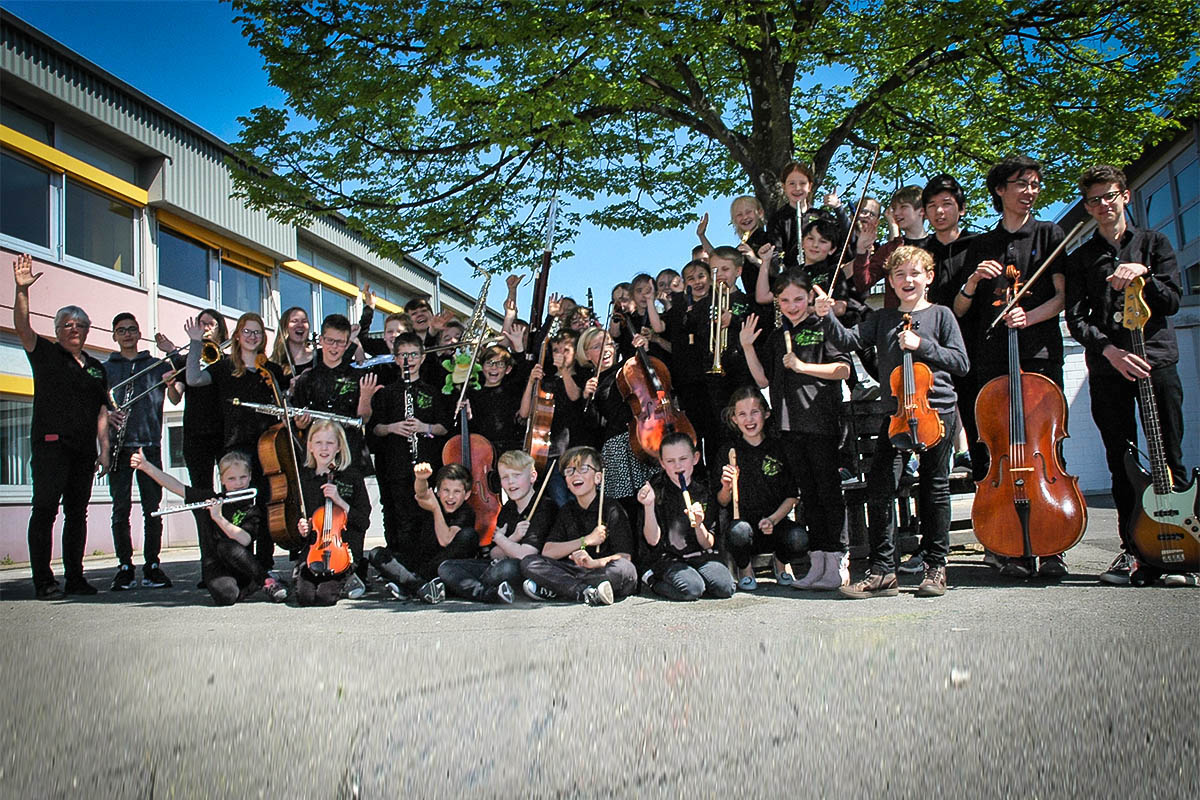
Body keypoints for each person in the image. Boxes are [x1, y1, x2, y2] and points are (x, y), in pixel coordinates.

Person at [816, 246, 970, 598]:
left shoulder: (942, 316)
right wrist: (826, 316)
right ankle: (883, 571)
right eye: (899, 275)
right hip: (896, 415)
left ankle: (935, 566)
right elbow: (849, 340)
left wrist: (922, 344)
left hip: (936, 413)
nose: (907, 280)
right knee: (880, 488)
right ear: (890, 281)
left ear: (928, 277)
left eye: (914, 273)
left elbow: (961, 363)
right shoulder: (883, 318)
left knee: (935, 488)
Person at [1065, 164, 1188, 587]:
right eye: (1094, 199)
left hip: (1157, 361)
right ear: (1087, 206)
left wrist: (1145, 276)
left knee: (1170, 454)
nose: (1103, 205)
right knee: (1121, 461)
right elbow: (1077, 319)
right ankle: (1134, 551)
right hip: (1109, 366)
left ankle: (1184, 549)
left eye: (1109, 195)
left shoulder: (1155, 244)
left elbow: (1172, 300)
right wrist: (1110, 351)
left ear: (1126, 196)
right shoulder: (1082, 258)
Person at [954, 155, 1069, 577]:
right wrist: (971, 283)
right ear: (1000, 190)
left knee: (1046, 446)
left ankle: (1053, 541)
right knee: (998, 449)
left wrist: (1030, 316)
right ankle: (1008, 544)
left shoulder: (1049, 233)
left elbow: (1060, 297)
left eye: (1035, 183)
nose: (1030, 191)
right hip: (993, 359)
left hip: (1037, 355)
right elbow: (961, 309)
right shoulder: (981, 245)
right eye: (1021, 183)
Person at [741, 268, 852, 589]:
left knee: (829, 493)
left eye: (799, 299)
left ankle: (838, 559)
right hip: (788, 428)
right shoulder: (777, 336)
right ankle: (817, 562)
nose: (792, 306)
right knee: (809, 496)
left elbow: (843, 368)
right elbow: (763, 380)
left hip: (821, 423)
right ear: (777, 302)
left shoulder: (822, 326)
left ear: (810, 297)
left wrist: (804, 367)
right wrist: (748, 347)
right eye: (785, 300)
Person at [13, 254, 111, 599]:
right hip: (51, 445)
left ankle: (76, 577)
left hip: (84, 450)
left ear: (86, 332)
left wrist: (105, 450)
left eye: (79, 325)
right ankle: (43, 580)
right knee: (44, 510)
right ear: (58, 331)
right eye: (67, 324)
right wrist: (21, 290)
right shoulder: (46, 354)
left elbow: (102, 409)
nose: (74, 329)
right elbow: (22, 328)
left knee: (77, 514)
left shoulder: (98, 368)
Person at [184, 311, 289, 572]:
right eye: (247, 331)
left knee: (265, 504)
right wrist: (196, 343)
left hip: (267, 447)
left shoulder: (272, 370)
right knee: (239, 508)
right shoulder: (224, 368)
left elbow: (285, 402)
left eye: (257, 332)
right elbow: (193, 379)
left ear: (263, 337)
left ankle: (264, 562)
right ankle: (240, 563)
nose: (252, 337)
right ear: (238, 336)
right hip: (235, 446)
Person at [129, 448, 284, 605]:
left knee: (227, 545)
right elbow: (176, 486)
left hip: (241, 565)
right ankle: (251, 588)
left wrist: (218, 517)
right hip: (214, 566)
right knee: (227, 597)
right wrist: (146, 466)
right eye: (231, 479)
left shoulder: (252, 508)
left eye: (243, 477)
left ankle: (266, 581)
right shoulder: (209, 498)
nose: (238, 483)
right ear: (222, 479)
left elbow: (244, 540)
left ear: (250, 477)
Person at [103, 312, 180, 590]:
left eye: (132, 329)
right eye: (121, 330)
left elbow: (174, 397)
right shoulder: (106, 369)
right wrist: (106, 418)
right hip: (118, 448)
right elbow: (99, 408)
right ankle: (124, 566)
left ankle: (153, 566)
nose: (127, 334)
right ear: (114, 335)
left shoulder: (155, 365)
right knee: (120, 509)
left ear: (138, 334)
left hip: (149, 445)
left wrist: (172, 384)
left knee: (152, 510)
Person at [520, 447, 638, 605]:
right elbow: (548, 552)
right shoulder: (566, 510)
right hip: (574, 570)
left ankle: (561, 589)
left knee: (625, 570)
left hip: (603, 570)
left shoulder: (612, 508)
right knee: (529, 562)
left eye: (583, 469)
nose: (576, 474)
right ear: (566, 482)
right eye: (570, 471)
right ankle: (585, 592)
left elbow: (625, 557)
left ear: (598, 477)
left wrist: (593, 563)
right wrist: (586, 540)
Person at [712, 388, 803, 590]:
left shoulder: (779, 448)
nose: (749, 419)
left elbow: (792, 495)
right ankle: (744, 569)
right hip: (744, 526)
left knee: (798, 538)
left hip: (776, 521)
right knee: (738, 532)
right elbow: (722, 501)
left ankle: (781, 564)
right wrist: (727, 486)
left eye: (755, 412)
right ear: (734, 418)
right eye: (742, 414)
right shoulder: (728, 451)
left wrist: (773, 519)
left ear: (766, 413)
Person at [370, 333, 452, 554]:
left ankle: (425, 563)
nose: (409, 360)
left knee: (426, 515)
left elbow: (443, 426)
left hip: (426, 463)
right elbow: (375, 428)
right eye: (403, 355)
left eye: (414, 354)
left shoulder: (432, 392)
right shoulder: (387, 393)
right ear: (396, 359)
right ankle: (402, 562)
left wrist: (424, 427)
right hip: (397, 464)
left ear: (422, 357)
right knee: (400, 516)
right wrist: (392, 427)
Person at [438, 450, 557, 603]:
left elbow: (525, 555)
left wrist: (502, 539)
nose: (511, 482)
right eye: (505, 477)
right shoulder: (508, 508)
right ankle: (491, 594)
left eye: (517, 475)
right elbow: (494, 553)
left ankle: (469, 587)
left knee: (507, 568)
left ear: (532, 476)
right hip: (496, 566)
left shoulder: (544, 506)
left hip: (523, 568)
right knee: (446, 567)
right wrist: (512, 538)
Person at [637, 433, 735, 601]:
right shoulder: (657, 492)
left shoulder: (703, 491)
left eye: (683, 459)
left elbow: (708, 542)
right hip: (668, 558)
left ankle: (695, 577)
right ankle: (652, 580)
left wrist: (699, 525)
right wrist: (648, 506)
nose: (678, 465)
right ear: (662, 463)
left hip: (700, 555)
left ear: (695, 458)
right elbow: (652, 541)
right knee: (692, 589)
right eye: (670, 461)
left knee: (725, 587)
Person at [368, 462, 479, 603]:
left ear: (467, 494)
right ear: (438, 491)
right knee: (377, 553)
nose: (450, 497)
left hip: (443, 568)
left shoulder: (466, 512)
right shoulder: (433, 500)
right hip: (420, 563)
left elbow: (445, 540)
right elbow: (421, 493)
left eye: (456, 492)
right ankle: (421, 586)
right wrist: (421, 478)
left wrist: (436, 510)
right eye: (446, 490)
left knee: (469, 535)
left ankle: (410, 586)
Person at [288, 313, 380, 474]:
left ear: (346, 345)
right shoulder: (307, 378)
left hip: (352, 456)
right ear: (321, 340)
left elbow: (364, 419)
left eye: (340, 342)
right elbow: (298, 423)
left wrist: (365, 397)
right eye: (330, 340)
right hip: (317, 459)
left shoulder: (358, 377)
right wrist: (300, 423)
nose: (334, 347)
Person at [293, 421, 371, 606]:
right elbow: (303, 527)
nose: (324, 448)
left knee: (324, 597)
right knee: (304, 597)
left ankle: (354, 573)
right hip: (314, 550)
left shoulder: (351, 477)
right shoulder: (304, 480)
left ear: (338, 447)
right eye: (318, 443)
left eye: (329, 443)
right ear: (310, 447)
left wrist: (339, 500)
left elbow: (363, 522)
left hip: (344, 550)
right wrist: (303, 529)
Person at [850, 185, 930, 307]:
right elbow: (863, 283)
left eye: (903, 207)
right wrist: (862, 251)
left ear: (922, 211)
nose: (897, 213)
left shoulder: (936, 244)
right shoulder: (890, 249)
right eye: (894, 208)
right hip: (895, 319)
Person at [270, 306, 314, 376]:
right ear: (285, 327)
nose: (300, 325)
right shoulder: (273, 364)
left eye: (304, 321)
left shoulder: (320, 358)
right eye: (294, 321)